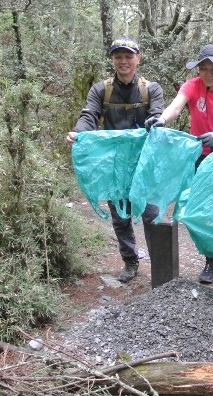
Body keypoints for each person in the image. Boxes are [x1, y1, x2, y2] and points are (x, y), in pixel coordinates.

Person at [144, 44, 213, 284]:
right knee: (203, 209)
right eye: (203, 68)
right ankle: (211, 261)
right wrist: (160, 119)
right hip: (201, 155)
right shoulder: (192, 85)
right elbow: (175, 107)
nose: (208, 73)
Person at [66, 37, 164, 283]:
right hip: (114, 164)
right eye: (118, 56)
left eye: (128, 56)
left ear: (138, 59)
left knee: (151, 213)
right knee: (120, 216)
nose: (123, 61)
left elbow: (158, 116)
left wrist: (154, 124)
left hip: (144, 163)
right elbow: (89, 115)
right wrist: (79, 133)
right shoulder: (101, 89)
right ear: (112, 59)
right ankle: (130, 261)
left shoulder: (151, 89)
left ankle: (160, 263)